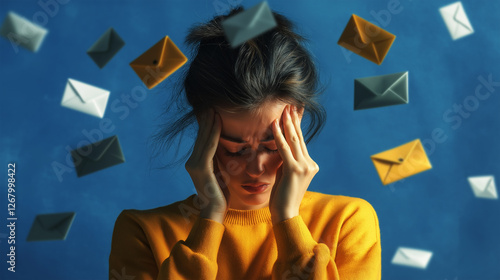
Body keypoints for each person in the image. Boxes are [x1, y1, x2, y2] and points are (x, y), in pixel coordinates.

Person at [109, 6, 381, 280]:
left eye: (273, 146)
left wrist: (287, 218)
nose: (255, 169)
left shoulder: (348, 221)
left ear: (298, 116)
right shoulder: (142, 232)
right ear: (204, 126)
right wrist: (211, 216)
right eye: (236, 150)